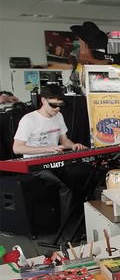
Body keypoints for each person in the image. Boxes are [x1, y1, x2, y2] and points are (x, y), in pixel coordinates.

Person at [12, 84, 90, 226]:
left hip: (56, 162)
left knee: (86, 175)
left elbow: (64, 140)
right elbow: (17, 148)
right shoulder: (29, 120)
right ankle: (66, 228)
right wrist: (48, 149)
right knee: (65, 184)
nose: (57, 109)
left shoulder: (58, 116)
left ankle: (82, 222)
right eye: (53, 105)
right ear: (43, 101)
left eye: (60, 105)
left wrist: (73, 146)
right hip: (35, 165)